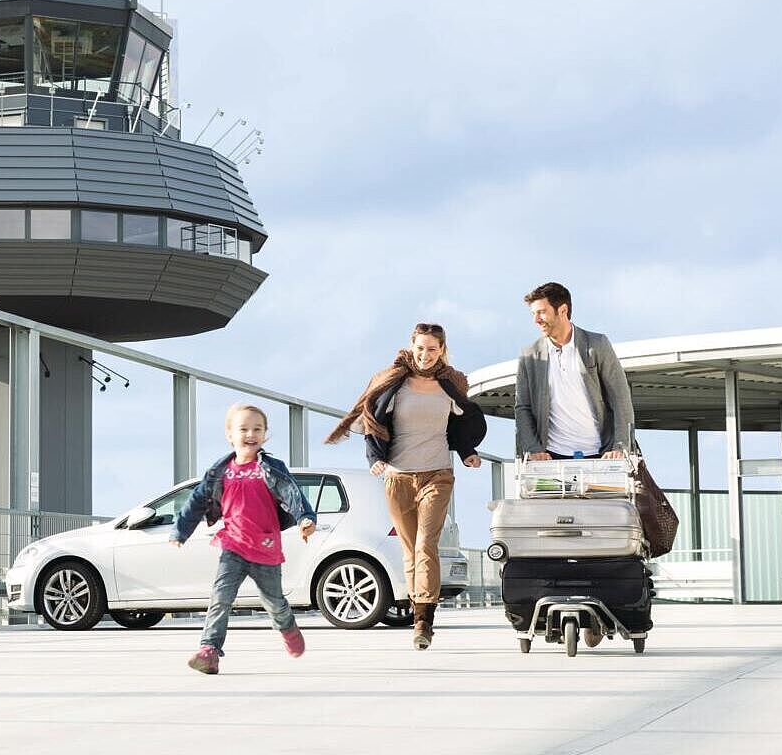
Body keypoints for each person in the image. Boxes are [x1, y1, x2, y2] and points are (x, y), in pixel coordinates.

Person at [325, 323, 486, 650]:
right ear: (411, 347)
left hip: (437, 474)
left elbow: (460, 425)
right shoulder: (392, 381)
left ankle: (423, 620)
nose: (425, 355)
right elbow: (371, 421)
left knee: (426, 544)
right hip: (398, 476)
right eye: (420, 348)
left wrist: (468, 452)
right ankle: (418, 608)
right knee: (410, 549)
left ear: (442, 349)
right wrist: (375, 458)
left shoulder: (451, 384)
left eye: (432, 349)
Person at [170, 403, 317, 675]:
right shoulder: (221, 471)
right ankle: (209, 651)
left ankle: (287, 627)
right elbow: (198, 500)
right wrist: (180, 530)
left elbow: (292, 493)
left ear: (265, 434)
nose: (251, 433)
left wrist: (305, 519)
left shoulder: (271, 468)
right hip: (233, 546)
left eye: (257, 429)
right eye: (243, 429)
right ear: (230, 434)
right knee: (220, 597)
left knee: (274, 603)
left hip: (266, 548)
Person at [514, 282, 635, 461]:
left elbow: (620, 398)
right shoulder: (529, 355)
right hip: (550, 457)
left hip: (602, 454)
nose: (536, 320)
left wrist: (620, 445)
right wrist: (533, 448)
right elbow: (522, 407)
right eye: (533, 314)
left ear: (562, 310)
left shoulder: (597, 344)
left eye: (541, 312)